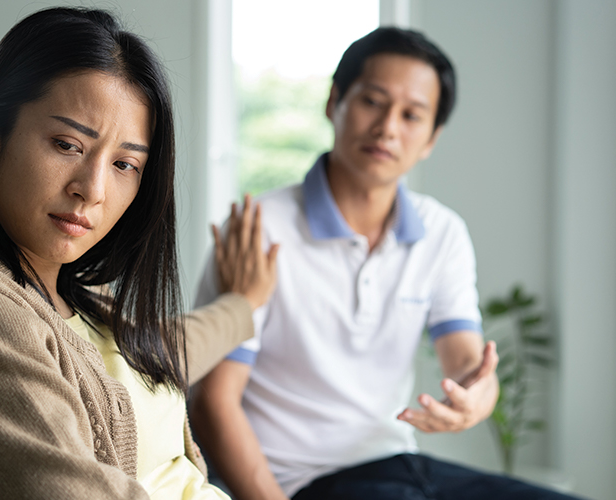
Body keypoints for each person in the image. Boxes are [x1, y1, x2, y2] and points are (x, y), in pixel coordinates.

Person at [0, 7, 277, 500]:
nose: (92, 189)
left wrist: (243, 304)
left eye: (124, 163)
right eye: (67, 144)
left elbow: (153, 352)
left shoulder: (74, 292)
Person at [191, 27, 583, 500]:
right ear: (334, 101)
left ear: (432, 137)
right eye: (372, 102)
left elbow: (465, 360)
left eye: (412, 115)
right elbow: (214, 402)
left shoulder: (441, 232)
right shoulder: (259, 230)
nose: (388, 128)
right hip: (298, 480)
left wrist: (476, 397)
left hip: (399, 463)